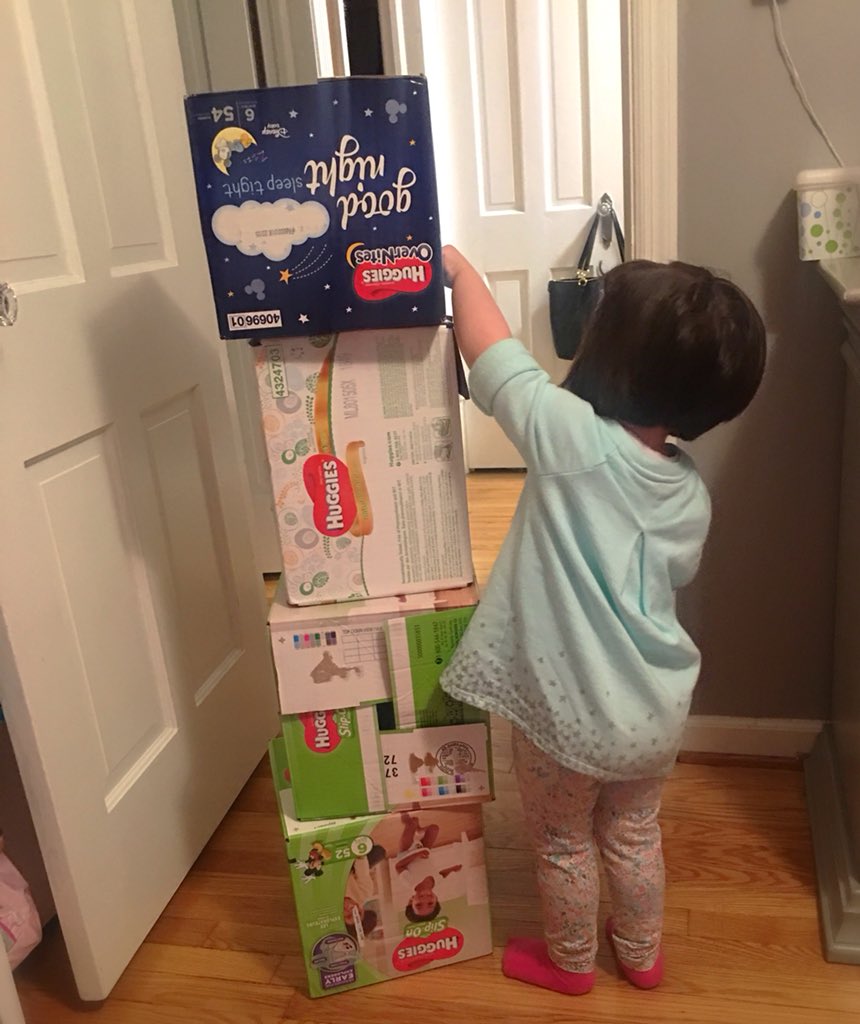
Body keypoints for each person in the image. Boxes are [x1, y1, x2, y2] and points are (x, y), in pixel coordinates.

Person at [439, 247, 766, 995]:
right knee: (631, 832)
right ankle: (643, 954)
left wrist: (460, 274)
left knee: (561, 841)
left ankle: (572, 963)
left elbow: (498, 364)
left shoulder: (573, 440)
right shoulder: (690, 490)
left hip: (567, 719)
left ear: (609, 357)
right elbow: (671, 578)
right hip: (650, 716)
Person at [394, 812, 463, 922]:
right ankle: (419, 830)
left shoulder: (409, 882)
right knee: (434, 829)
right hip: (424, 851)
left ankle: (407, 821)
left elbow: (399, 866)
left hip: (407, 852)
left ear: (411, 901)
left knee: (411, 824)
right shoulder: (436, 882)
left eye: (419, 905)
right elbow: (442, 875)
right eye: (430, 903)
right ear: (436, 899)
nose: (425, 899)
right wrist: (452, 869)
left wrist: (416, 854)